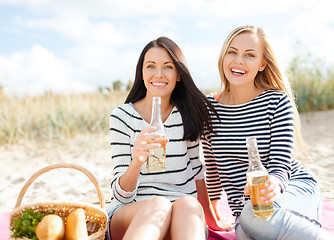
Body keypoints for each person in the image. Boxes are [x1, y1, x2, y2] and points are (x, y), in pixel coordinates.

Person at [201, 25, 333, 240]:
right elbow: (213, 168)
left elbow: (280, 166)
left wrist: (274, 183)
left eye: (249, 55)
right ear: (223, 56)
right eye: (232, 52)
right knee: (243, 231)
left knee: (252, 219)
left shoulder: (277, 101)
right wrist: (212, 213)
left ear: (263, 63)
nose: (239, 60)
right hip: (247, 213)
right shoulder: (208, 107)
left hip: (292, 191)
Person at [107, 36, 225, 240]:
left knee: (188, 203)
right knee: (158, 204)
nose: (159, 74)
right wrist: (136, 163)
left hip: (181, 215)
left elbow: (197, 171)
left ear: (179, 74)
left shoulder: (188, 114)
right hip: (131, 214)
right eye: (151, 66)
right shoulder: (122, 117)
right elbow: (120, 195)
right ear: (142, 73)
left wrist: (213, 219)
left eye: (168, 67)